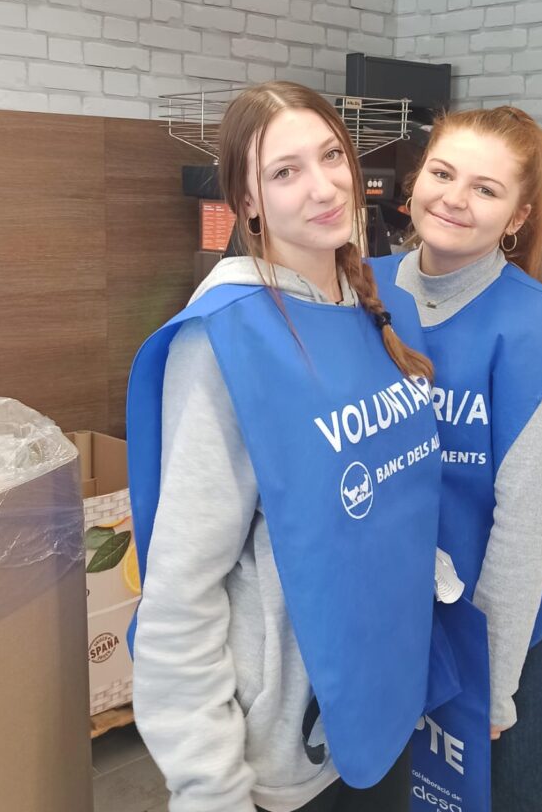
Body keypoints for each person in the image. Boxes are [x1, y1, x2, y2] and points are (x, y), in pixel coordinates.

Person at [126, 82, 444, 812]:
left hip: (384, 707)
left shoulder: (378, 309)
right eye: (284, 171)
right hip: (292, 756)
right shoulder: (225, 340)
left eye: (331, 155)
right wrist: (209, 787)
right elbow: (181, 589)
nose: (323, 187)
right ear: (248, 203)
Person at [372, 106, 542, 812]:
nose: (454, 198)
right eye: (442, 173)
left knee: (503, 794)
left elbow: (529, 529)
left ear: (518, 216)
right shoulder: (360, 292)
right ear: (414, 182)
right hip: (402, 602)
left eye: (485, 189)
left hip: (510, 608)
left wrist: (493, 679)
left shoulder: (538, 333)